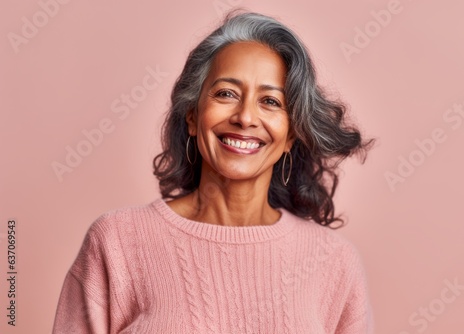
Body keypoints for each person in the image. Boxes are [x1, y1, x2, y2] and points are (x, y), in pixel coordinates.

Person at [53, 10, 375, 333]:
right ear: (192, 115)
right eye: (226, 94)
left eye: (271, 102)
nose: (246, 117)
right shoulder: (115, 242)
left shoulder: (335, 264)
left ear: (291, 134)